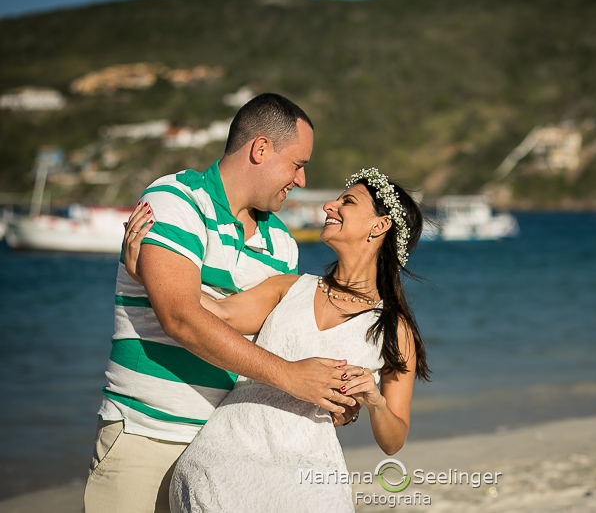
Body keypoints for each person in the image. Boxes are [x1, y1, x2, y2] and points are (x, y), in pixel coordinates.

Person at [84, 93, 358, 513]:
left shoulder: (282, 243)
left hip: (229, 451)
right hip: (147, 434)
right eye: (297, 164)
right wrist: (290, 376)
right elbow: (181, 318)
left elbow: (267, 342)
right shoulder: (175, 201)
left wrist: (331, 393)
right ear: (261, 149)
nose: (301, 180)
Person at [124, 167, 431, 512]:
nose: (329, 206)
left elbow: (393, 442)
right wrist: (149, 275)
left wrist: (375, 401)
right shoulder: (289, 286)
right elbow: (217, 314)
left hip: (308, 475)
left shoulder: (395, 330)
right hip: (223, 459)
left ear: (380, 225)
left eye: (347, 201)